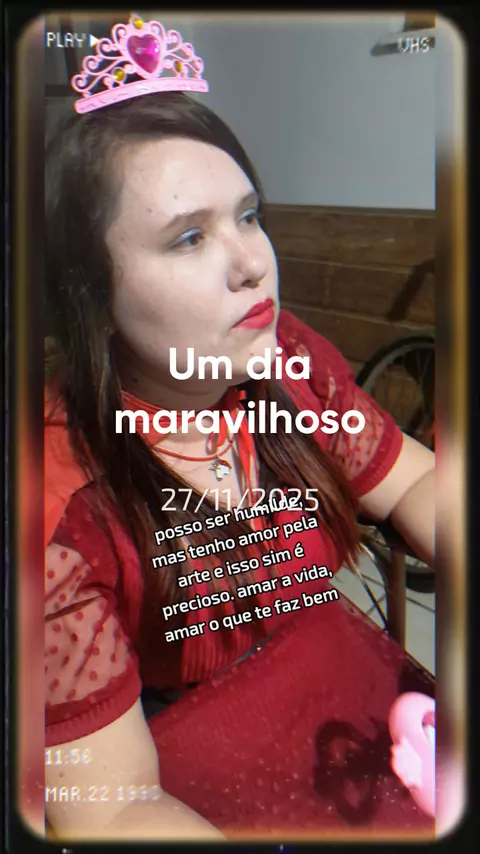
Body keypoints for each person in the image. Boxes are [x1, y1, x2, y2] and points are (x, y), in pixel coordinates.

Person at [44, 16, 435, 842]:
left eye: (250, 216)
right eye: (189, 237)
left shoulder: (288, 359)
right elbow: (110, 803)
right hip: (189, 765)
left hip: (347, 692)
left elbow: (419, 483)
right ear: (92, 297)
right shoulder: (59, 500)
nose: (255, 262)